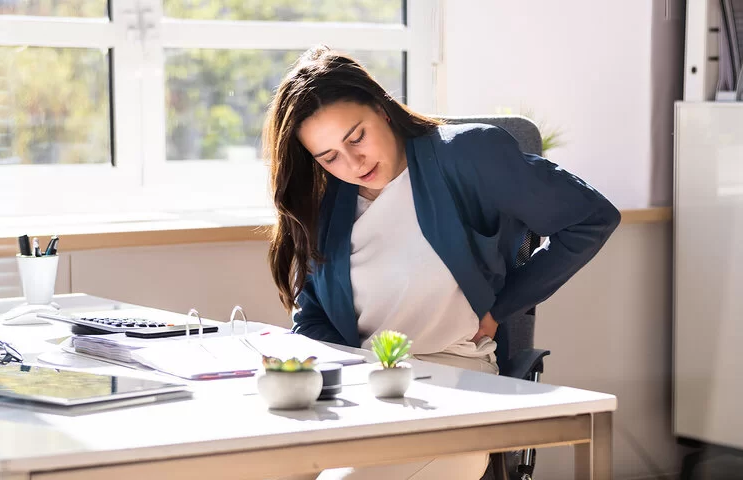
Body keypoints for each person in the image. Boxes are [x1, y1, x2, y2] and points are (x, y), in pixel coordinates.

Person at [262, 45, 620, 480]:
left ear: (382, 107)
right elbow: (312, 315)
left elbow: (591, 217)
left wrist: (501, 307)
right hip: (365, 393)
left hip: (455, 387)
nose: (352, 163)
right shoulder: (326, 203)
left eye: (356, 137)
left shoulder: (469, 156)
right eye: (329, 156)